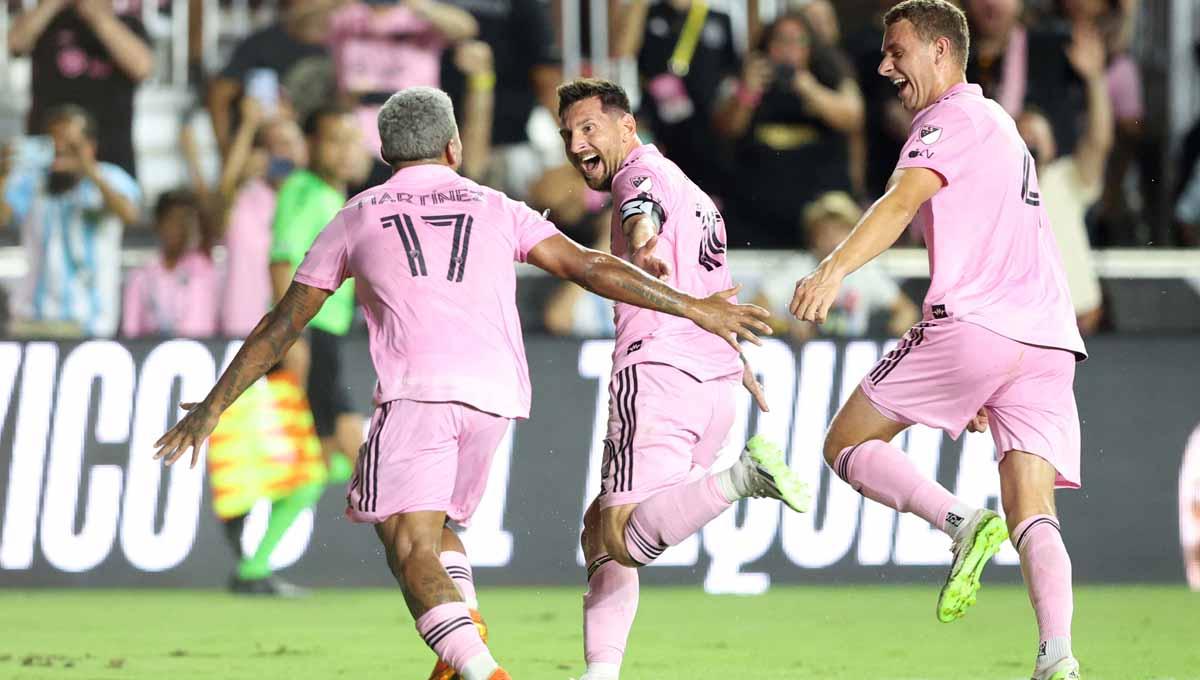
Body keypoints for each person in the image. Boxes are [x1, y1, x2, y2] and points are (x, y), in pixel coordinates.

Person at [151, 85, 772, 680]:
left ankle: (479, 669)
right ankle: (463, 642)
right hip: (497, 400)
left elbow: (282, 323)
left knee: (407, 543)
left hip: (418, 392)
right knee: (442, 528)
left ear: (388, 155)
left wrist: (214, 405)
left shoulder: (359, 214)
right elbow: (589, 266)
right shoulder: (497, 206)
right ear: (453, 147)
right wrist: (695, 307)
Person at [790, 2, 1087, 679]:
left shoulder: (946, 120)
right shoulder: (1001, 126)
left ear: (941, 52)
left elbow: (897, 203)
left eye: (897, 50)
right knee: (1034, 512)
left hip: (977, 324)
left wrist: (832, 269)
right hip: (1045, 341)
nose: (885, 65)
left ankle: (958, 522)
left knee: (844, 444)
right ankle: (1057, 657)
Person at [557, 79, 812, 680]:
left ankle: (743, 478)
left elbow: (637, 205)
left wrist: (642, 245)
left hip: (657, 371)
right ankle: (601, 673)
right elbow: (713, 288)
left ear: (627, 126)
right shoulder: (697, 194)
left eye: (589, 127)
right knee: (600, 529)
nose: (576, 143)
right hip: (711, 384)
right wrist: (735, 359)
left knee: (620, 537)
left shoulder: (637, 173)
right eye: (568, 133)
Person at [269, 106, 368, 475]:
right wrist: (290, 335)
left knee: (340, 433)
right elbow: (281, 261)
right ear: (310, 145)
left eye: (352, 142)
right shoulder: (302, 191)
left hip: (327, 331)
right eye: (334, 141)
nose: (345, 151)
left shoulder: (331, 195)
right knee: (324, 443)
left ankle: (387, 511)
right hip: (309, 330)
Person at [714, 12, 864, 249]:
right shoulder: (745, 76)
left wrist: (810, 89)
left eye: (797, 41)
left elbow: (853, 117)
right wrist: (747, 92)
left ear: (810, 47)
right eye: (780, 40)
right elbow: (727, 128)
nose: (788, 49)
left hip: (818, 216)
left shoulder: (829, 75)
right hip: (755, 214)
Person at [1, 105, 141, 338]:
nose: (60, 148)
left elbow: (129, 214)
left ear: (90, 146)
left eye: (70, 143)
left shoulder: (110, 177)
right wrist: (4, 174)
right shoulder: (32, 181)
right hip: (34, 318)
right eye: (53, 141)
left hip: (91, 320)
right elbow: (2, 218)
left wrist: (88, 168)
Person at [1016, 22, 1111, 335]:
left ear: (1053, 147)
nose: (1028, 136)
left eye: (1036, 131)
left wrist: (1095, 79)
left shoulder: (1066, 177)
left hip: (1082, 321)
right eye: (1020, 130)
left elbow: (1099, 141)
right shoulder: (995, 190)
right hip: (1030, 328)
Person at [9, 0, 153, 177]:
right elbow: (16, 43)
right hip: (50, 158)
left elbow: (142, 67)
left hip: (109, 158)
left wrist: (96, 16)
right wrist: (52, 4)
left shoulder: (127, 23)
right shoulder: (49, 22)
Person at [615, 0, 741, 196]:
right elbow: (622, 50)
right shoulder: (648, 13)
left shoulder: (718, 19)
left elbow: (732, 77)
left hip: (707, 132)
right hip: (658, 127)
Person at [757, 191, 919, 341]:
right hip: (804, 355)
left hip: (855, 358)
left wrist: (889, 334)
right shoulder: (797, 268)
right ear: (813, 237)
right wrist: (786, 328)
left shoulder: (865, 270)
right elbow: (758, 308)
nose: (832, 239)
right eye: (825, 232)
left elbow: (907, 311)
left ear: (853, 234)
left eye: (840, 230)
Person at [214, 98, 309, 337]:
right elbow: (221, 204)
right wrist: (247, 127)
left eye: (288, 143)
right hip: (243, 329)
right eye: (272, 146)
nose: (281, 152)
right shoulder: (247, 197)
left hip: (298, 334)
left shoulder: (316, 196)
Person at [206, 0, 338, 159]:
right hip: (274, 154)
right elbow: (219, 94)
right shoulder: (264, 43)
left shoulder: (336, 44)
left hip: (319, 150)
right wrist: (226, 151)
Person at [121, 190, 218, 338]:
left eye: (184, 221)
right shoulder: (140, 277)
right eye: (172, 220)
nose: (179, 228)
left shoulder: (202, 268)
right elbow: (130, 332)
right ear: (158, 224)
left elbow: (210, 227)